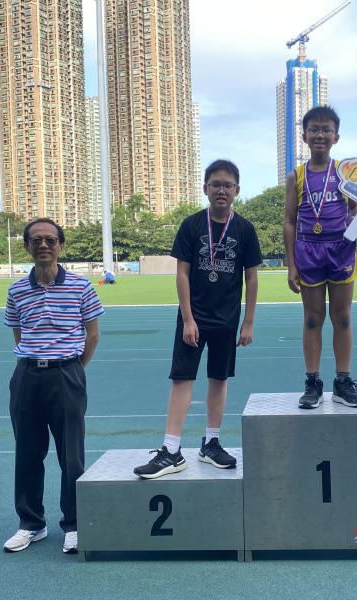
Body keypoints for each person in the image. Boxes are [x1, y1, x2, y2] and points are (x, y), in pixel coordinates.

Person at [134, 159, 261, 479]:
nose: (221, 189)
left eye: (227, 185)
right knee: (182, 379)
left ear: (237, 191)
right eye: (215, 184)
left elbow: (252, 277)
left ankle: (212, 443)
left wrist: (248, 321)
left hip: (227, 318)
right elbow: (182, 274)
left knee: (219, 379)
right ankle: (172, 450)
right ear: (205, 188)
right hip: (195, 317)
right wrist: (188, 319)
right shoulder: (191, 225)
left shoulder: (245, 229)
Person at [3, 218, 104, 554]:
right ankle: (31, 524)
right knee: (27, 454)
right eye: (36, 240)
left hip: (66, 375)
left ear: (60, 245)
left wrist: (72, 368)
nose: (43, 245)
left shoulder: (81, 286)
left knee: (70, 455)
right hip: (27, 376)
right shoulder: (16, 289)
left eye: (50, 240)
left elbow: (93, 335)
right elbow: (19, 333)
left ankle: (73, 524)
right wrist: (36, 361)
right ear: (26, 247)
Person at [283, 105, 357, 410]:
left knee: (342, 317)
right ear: (304, 136)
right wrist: (291, 264)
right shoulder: (296, 176)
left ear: (336, 137)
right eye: (314, 129)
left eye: (326, 129)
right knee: (312, 319)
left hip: (341, 249)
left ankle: (342, 382)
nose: (320, 134)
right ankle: (312, 382)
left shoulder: (346, 174)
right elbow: (290, 221)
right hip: (308, 251)